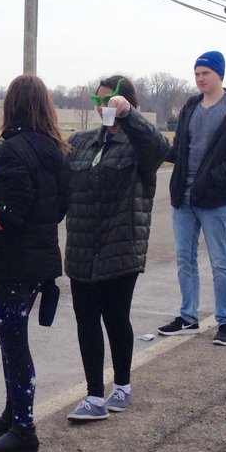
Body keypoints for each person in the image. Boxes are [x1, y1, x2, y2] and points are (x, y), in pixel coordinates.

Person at [0, 74, 70, 452]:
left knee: (14, 344)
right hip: (41, 260)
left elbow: (10, 218)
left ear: (12, 106)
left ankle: (24, 430)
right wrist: (1, 206)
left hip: (13, 264)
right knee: (12, 341)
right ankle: (13, 413)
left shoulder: (14, 150)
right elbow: (52, 206)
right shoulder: (55, 149)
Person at [61, 75, 169, 421]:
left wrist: (129, 116)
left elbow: (159, 148)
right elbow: (46, 159)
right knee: (86, 321)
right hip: (82, 247)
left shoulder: (138, 145)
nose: (103, 105)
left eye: (111, 99)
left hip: (121, 246)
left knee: (115, 318)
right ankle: (94, 395)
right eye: (100, 99)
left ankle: (121, 385)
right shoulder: (81, 142)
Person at [158, 51, 226, 347]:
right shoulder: (190, 106)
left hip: (215, 199)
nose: (200, 78)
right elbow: (180, 150)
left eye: (206, 73)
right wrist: (154, 148)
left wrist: (213, 178)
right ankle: (188, 316)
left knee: (220, 261)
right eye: (197, 73)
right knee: (184, 259)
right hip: (183, 198)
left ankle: (225, 320)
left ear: (219, 75)